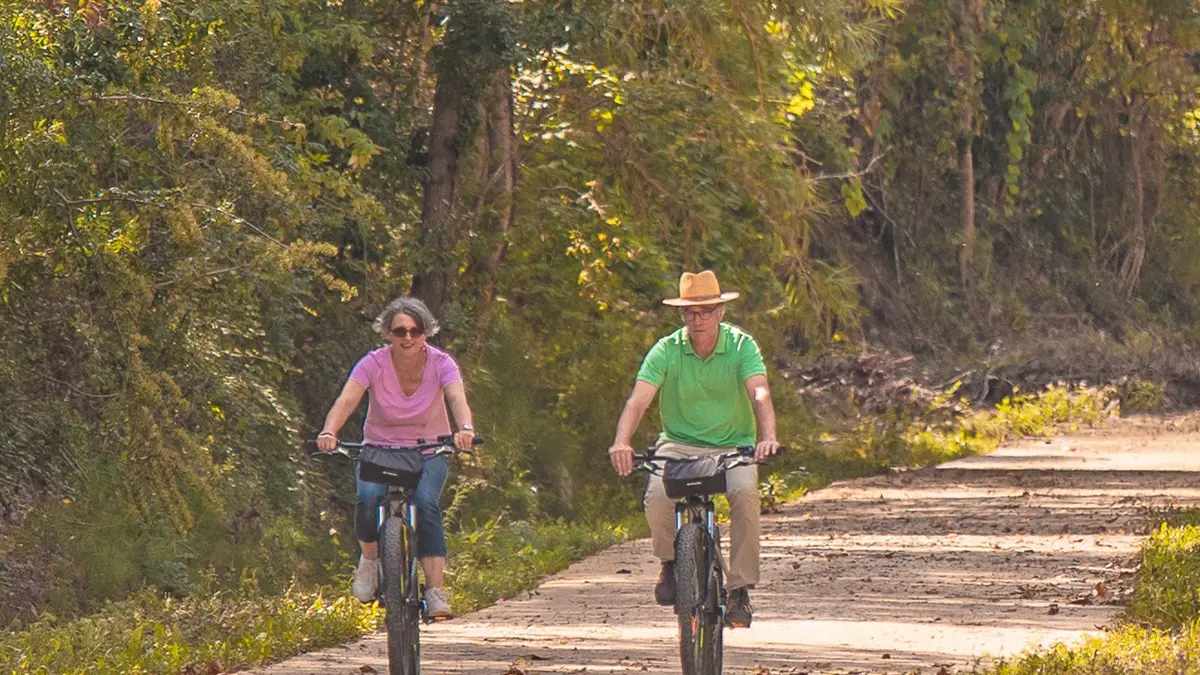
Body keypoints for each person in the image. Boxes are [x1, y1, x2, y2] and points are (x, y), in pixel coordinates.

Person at [608, 270, 780, 628]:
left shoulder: (741, 346)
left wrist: (768, 436)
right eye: (689, 312)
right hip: (678, 444)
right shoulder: (667, 350)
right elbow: (638, 401)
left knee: (745, 494)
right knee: (657, 496)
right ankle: (670, 562)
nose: (697, 319)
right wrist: (622, 441)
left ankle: (739, 589)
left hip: (734, 445)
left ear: (720, 312)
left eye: (705, 311)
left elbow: (760, 392)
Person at [316, 297, 476, 619]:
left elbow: (456, 397)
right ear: (388, 333)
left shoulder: (442, 363)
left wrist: (465, 429)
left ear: (426, 333)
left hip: (429, 450)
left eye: (416, 330)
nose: (408, 337)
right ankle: (369, 561)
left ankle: (434, 591)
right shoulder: (373, 363)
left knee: (426, 503)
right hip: (380, 449)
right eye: (400, 331)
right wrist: (329, 431)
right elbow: (347, 400)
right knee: (367, 499)